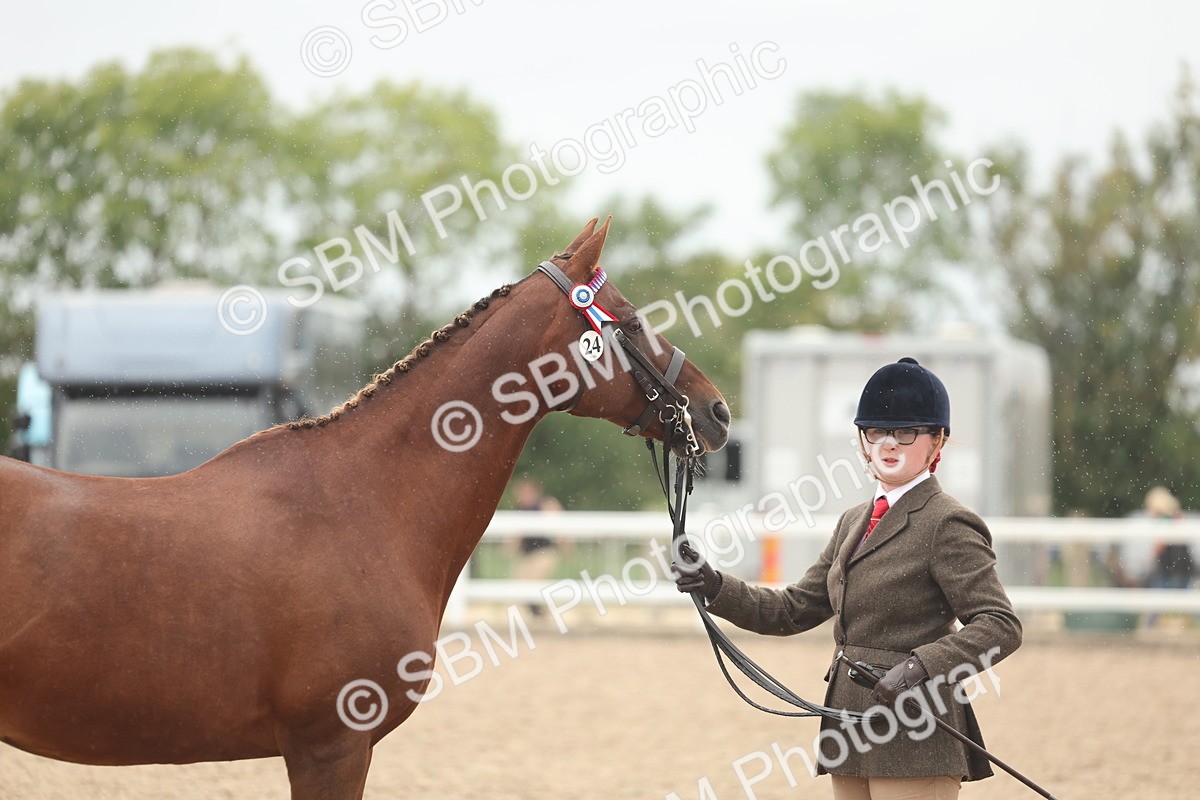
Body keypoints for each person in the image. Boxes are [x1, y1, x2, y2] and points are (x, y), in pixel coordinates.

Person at [675, 357, 1022, 800]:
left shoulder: (948, 522)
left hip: (916, 728)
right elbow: (794, 610)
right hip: (849, 726)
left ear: (937, 440)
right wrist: (714, 586)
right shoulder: (853, 521)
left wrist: (919, 667)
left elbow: (1000, 625)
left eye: (906, 432)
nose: (889, 444)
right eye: (876, 431)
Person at [506, 478, 567, 616]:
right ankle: (537, 615)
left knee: (531, 583)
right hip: (527, 555)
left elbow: (560, 527)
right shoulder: (521, 510)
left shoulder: (545, 505)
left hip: (544, 552)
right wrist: (509, 547)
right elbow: (516, 534)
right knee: (519, 585)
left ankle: (543, 614)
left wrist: (565, 546)